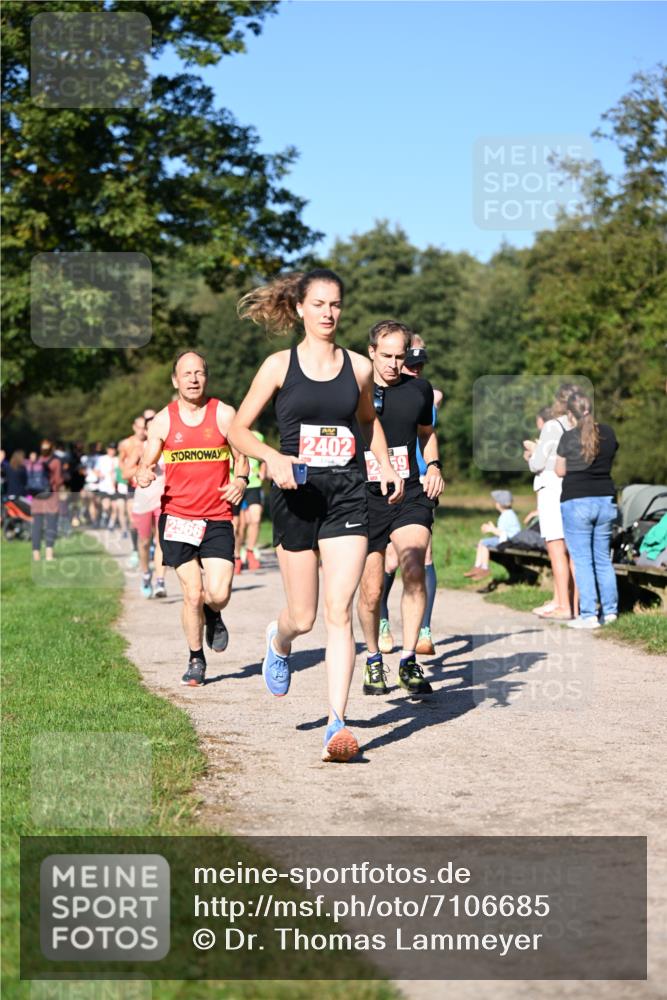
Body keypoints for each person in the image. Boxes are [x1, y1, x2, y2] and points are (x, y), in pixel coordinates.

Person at [229, 268, 404, 763]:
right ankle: (279, 640)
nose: (329, 313)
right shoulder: (278, 367)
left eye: (336, 305)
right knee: (303, 617)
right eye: (320, 304)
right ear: (301, 308)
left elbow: (368, 423)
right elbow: (240, 430)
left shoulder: (358, 367)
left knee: (337, 611)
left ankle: (336, 723)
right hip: (296, 494)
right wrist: (272, 457)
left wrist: (386, 466)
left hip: (348, 492)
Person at [136, 351, 249, 684]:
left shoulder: (224, 414)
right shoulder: (164, 420)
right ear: (175, 380)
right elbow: (147, 459)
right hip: (178, 516)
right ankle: (196, 658)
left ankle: (214, 614)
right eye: (187, 374)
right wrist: (144, 473)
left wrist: (240, 480)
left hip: (216, 516)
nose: (194, 379)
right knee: (192, 593)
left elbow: (242, 458)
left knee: (219, 593)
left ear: (206, 377)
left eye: (199, 373)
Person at [356, 321, 445, 697]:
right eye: (387, 356)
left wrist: (435, 467)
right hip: (363, 495)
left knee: (413, 567)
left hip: (409, 492)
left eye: (401, 356)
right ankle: (374, 659)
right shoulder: (352, 390)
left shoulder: (419, 390)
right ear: (372, 352)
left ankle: (409, 659)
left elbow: (426, 434)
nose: (394, 364)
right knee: (372, 589)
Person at [377, 337, 444, 656]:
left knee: (422, 556)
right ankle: (382, 620)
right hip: (381, 483)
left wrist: (434, 468)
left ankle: (423, 631)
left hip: (419, 483)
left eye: (419, 365)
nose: (414, 370)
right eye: (409, 364)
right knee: (389, 558)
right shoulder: (373, 389)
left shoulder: (425, 393)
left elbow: (428, 432)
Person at [555, 391, 619, 628]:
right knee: (602, 558)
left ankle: (589, 615)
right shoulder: (609, 433)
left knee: (582, 560)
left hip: (576, 501)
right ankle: (611, 613)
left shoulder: (568, 437)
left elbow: (560, 471)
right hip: (605, 500)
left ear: (571, 414)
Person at [524, 388, 579, 620]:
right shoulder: (582, 425)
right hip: (574, 489)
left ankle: (563, 606)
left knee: (556, 549)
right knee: (574, 551)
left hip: (551, 489)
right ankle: (574, 605)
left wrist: (531, 453)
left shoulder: (552, 426)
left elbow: (538, 463)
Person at [464, 489, 521, 578]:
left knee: (484, 543)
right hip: (510, 539)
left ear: (498, 504)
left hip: (509, 541)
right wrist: (493, 528)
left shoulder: (505, 515)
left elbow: (502, 533)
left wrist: (491, 529)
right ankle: (478, 567)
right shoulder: (509, 514)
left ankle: (484, 567)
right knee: (482, 542)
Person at [119, 416, 149, 568]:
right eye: (139, 427)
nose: (142, 430)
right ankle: (135, 551)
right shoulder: (127, 444)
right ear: (134, 427)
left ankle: (148, 547)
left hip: (150, 487)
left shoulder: (152, 442)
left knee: (150, 522)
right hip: (132, 485)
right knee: (133, 520)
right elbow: (122, 465)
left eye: (144, 427)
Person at [31, 439, 63, 561]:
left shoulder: (37, 461)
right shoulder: (56, 461)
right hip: (51, 496)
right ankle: (49, 555)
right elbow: (58, 480)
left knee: (37, 526)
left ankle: (36, 555)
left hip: (37, 496)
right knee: (51, 525)